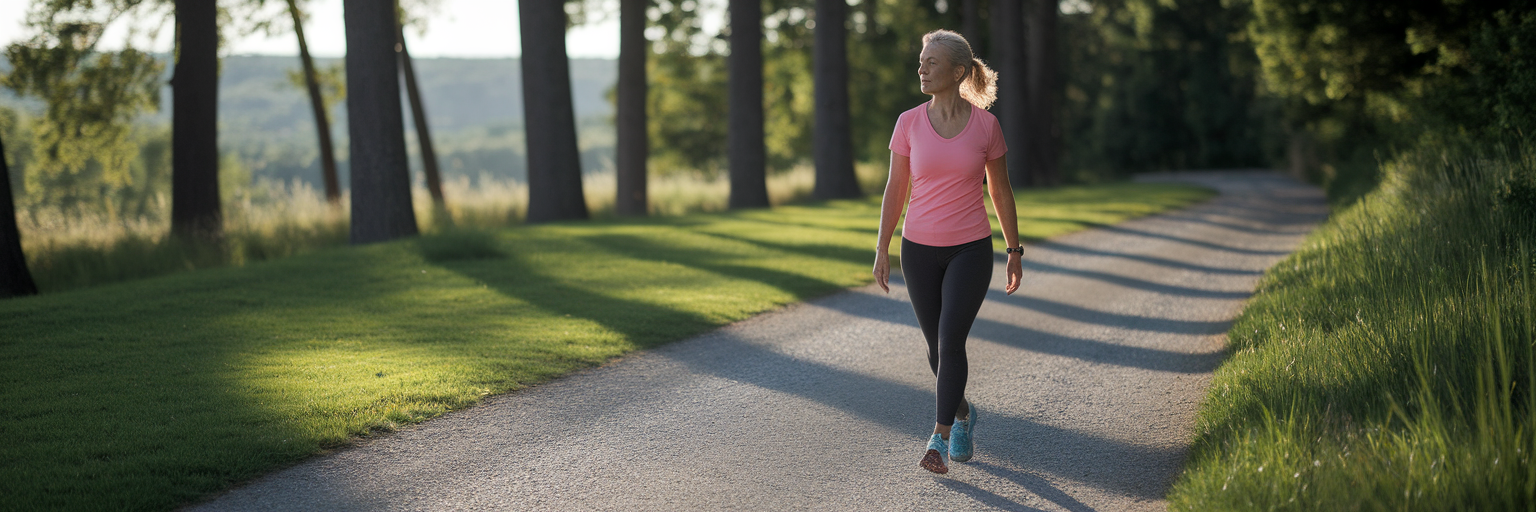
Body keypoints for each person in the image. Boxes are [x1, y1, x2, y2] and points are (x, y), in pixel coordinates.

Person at [871, 29, 1023, 475]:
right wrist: (882, 246)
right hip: (918, 249)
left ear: (958, 71)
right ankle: (963, 414)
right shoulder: (909, 123)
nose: (921, 68)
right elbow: (896, 188)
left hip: (970, 249)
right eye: (921, 61)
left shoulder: (986, 126)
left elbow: (1000, 189)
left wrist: (1014, 249)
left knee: (950, 339)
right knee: (937, 351)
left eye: (931, 62)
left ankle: (937, 437)